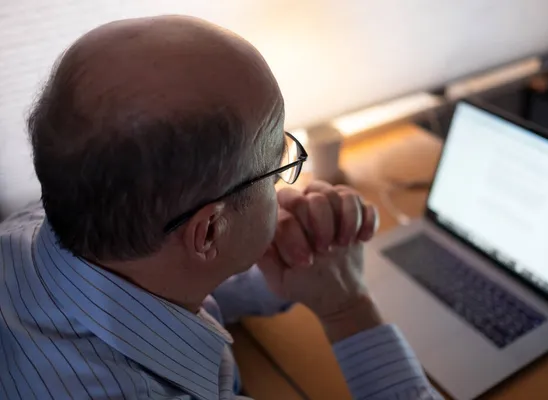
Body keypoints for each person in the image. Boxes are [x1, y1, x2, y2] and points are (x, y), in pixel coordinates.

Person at [0, 15, 441, 400]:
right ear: (209, 230)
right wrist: (348, 308)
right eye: (275, 163)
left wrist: (284, 269)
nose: (286, 185)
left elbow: (152, 297)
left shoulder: (46, 226)